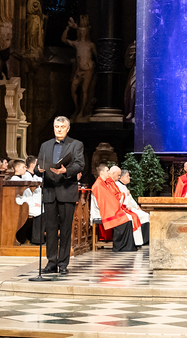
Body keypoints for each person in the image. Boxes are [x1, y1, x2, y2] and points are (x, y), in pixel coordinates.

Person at [37, 116, 85, 274]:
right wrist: (39, 169)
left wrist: (66, 170)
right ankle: (51, 262)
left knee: (65, 229)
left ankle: (63, 263)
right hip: (49, 190)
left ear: (68, 128)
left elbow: (80, 164)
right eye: (56, 126)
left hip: (66, 189)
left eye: (62, 127)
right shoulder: (45, 145)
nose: (59, 129)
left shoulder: (76, 144)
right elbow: (38, 165)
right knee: (50, 229)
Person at [91, 164, 137, 252]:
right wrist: (116, 204)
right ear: (101, 172)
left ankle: (127, 246)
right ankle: (120, 246)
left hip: (109, 208)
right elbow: (103, 200)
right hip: (103, 210)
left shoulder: (104, 183)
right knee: (124, 219)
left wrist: (116, 203)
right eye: (107, 171)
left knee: (127, 219)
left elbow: (110, 197)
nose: (109, 172)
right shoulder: (98, 184)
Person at [112, 166, 149, 246]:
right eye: (127, 176)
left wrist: (136, 206)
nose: (129, 177)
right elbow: (121, 199)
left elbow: (130, 199)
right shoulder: (118, 185)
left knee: (145, 215)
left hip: (129, 207)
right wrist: (132, 207)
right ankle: (140, 241)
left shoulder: (123, 186)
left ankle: (143, 240)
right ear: (121, 177)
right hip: (125, 208)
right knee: (142, 216)